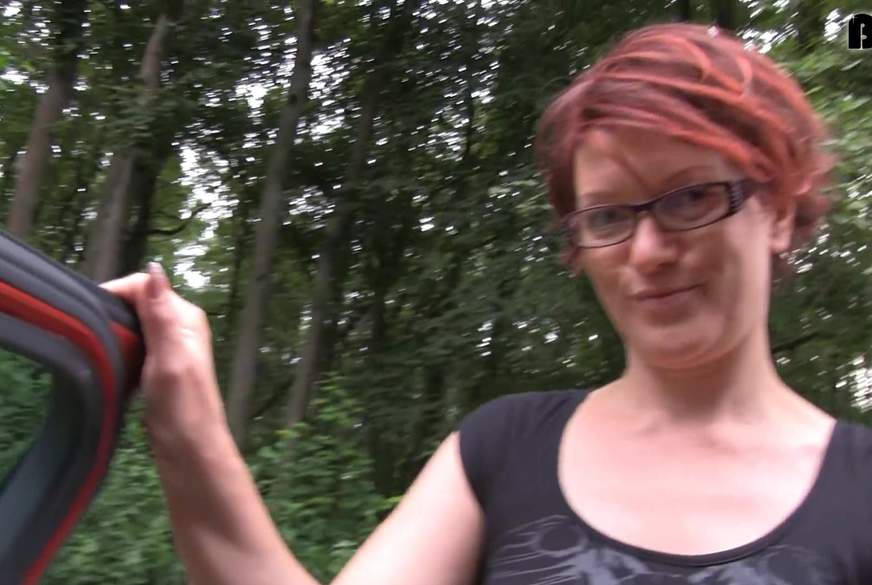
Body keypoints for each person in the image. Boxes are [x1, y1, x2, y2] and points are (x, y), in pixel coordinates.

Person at [102, 22, 872, 585]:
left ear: (777, 211)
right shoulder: (504, 448)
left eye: (691, 197)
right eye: (609, 214)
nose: (646, 251)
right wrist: (187, 426)